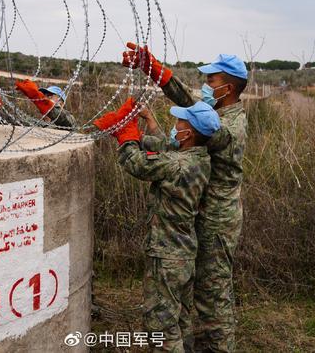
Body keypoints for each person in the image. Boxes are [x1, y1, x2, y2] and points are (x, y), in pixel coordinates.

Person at [122, 43, 248, 352]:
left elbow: (197, 119)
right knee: (193, 294)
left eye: (212, 81)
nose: (206, 85)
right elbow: (192, 110)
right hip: (200, 217)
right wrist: (153, 70)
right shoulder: (218, 112)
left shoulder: (228, 126)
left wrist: (159, 76)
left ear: (228, 87)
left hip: (216, 222)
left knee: (213, 297)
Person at [94, 98, 221, 352]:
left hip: (166, 256)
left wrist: (127, 135)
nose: (175, 126)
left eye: (179, 122)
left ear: (188, 133)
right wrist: (150, 121)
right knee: (179, 319)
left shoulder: (177, 164)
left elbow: (136, 163)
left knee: (160, 327)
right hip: (184, 254)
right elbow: (167, 147)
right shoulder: (199, 158)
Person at [0, 73, 75, 128]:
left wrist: (38, 97)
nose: (45, 97)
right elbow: (7, 121)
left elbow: (64, 119)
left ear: (61, 103)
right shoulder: (38, 125)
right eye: (44, 95)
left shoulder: (68, 121)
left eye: (50, 96)